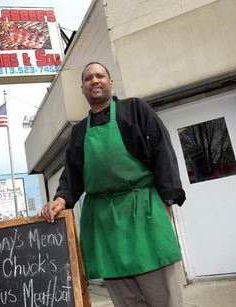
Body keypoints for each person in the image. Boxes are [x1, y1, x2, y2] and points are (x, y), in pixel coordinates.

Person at [39, 62, 186, 307]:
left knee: (162, 295)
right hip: (103, 220)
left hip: (144, 211)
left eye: (100, 76)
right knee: (125, 298)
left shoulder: (136, 109)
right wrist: (60, 201)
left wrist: (167, 199)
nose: (95, 80)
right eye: (88, 78)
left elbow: (162, 151)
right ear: (83, 89)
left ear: (111, 82)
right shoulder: (78, 132)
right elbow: (72, 177)